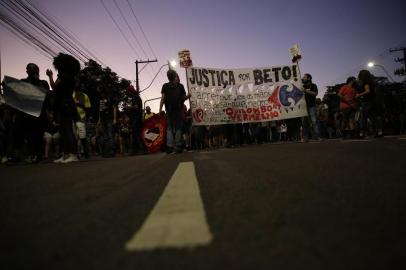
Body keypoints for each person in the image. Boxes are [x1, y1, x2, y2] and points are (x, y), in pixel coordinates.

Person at [46, 53, 80, 163]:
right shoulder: (71, 77)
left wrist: (50, 76)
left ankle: (73, 155)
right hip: (65, 104)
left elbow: (54, 87)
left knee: (67, 129)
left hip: (64, 105)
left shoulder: (64, 76)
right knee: (63, 130)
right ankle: (66, 154)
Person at [20, 63, 50, 163]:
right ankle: (30, 154)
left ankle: (38, 154)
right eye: (28, 67)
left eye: (33, 67)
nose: (30, 69)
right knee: (29, 135)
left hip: (40, 113)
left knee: (38, 134)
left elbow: (47, 95)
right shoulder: (22, 82)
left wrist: (37, 81)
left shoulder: (43, 82)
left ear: (37, 70)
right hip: (27, 113)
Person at [159, 70, 190, 153]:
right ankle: (178, 145)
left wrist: (160, 109)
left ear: (168, 77)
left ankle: (169, 146)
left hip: (169, 109)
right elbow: (183, 98)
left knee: (169, 127)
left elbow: (163, 98)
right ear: (175, 76)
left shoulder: (165, 86)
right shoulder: (180, 86)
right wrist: (189, 96)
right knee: (178, 127)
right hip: (178, 109)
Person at [301, 73, 321, 141]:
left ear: (309, 78)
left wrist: (306, 91)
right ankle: (306, 137)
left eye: (305, 77)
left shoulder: (313, 85)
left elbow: (315, 93)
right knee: (304, 123)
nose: (303, 78)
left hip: (311, 106)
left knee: (314, 121)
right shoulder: (302, 86)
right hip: (304, 106)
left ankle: (317, 136)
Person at [73, 87, 91, 158]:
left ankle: (85, 152)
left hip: (81, 118)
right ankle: (77, 153)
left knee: (82, 136)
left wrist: (78, 104)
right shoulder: (70, 94)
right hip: (72, 118)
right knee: (75, 137)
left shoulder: (84, 95)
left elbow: (88, 108)